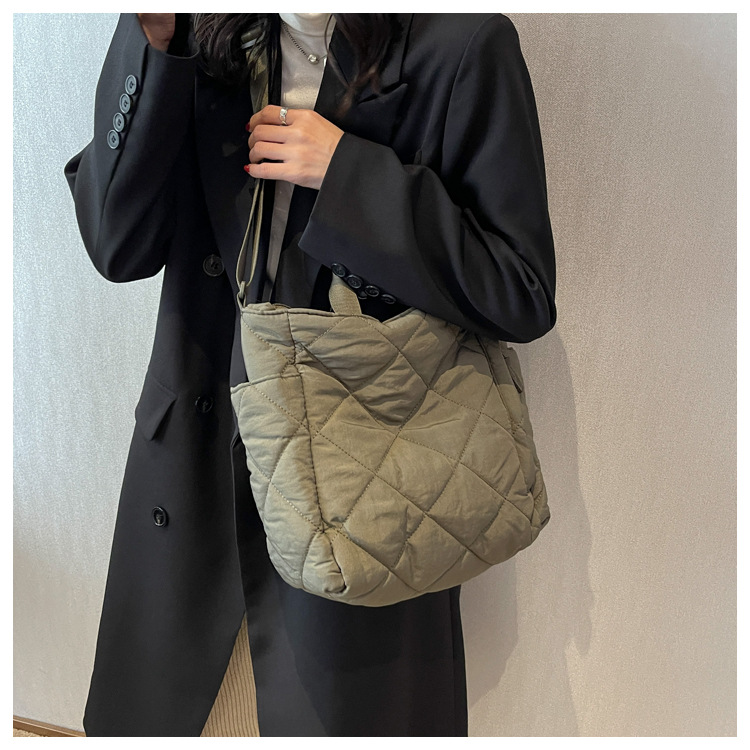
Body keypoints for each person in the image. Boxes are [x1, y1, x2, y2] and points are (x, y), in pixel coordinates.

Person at [63, 12, 556, 737]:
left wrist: (348, 174)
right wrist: (153, 41)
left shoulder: (461, 44)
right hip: (194, 487)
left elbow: (519, 289)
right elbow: (117, 244)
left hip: (364, 497)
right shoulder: (205, 35)